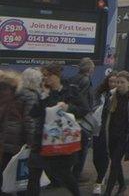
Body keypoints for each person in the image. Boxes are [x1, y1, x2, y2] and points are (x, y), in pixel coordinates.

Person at [29, 63, 89, 196]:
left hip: (63, 139)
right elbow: (33, 113)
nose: (46, 79)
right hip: (42, 139)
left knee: (64, 174)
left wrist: (69, 108)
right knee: (33, 174)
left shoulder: (71, 90)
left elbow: (84, 109)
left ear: (56, 75)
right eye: (44, 76)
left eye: (48, 75)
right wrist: (42, 98)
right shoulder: (44, 92)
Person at [102, 73, 129, 196]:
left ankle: (108, 191)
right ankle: (122, 184)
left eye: (122, 82)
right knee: (115, 161)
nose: (118, 85)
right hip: (112, 133)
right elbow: (106, 114)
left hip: (124, 136)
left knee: (114, 162)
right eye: (117, 82)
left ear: (128, 82)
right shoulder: (111, 96)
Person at [68, 57, 95, 182]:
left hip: (71, 117)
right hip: (82, 118)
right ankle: (76, 175)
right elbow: (84, 100)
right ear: (89, 69)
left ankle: (69, 173)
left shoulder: (72, 79)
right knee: (83, 147)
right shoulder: (85, 80)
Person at [16, 68, 43, 196]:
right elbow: (30, 120)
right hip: (24, 138)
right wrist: (32, 141)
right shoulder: (32, 95)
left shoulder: (18, 92)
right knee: (26, 172)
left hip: (15, 135)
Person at [91, 73, 118, 194]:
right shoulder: (101, 94)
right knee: (96, 157)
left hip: (109, 129)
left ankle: (99, 180)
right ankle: (102, 175)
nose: (112, 84)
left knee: (105, 155)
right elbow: (93, 106)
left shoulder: (118, 96)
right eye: (110, 81)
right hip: (97, 127)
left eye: (115, 82)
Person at [0, 71, 28, 188]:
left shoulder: (5, 94)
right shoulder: (16, 93)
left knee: (5, 170)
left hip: (7, 138)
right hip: (13, 139)